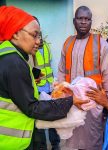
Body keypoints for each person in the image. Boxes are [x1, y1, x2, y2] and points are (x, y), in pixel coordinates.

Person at [0, 6, 88, 150]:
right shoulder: (14, 62)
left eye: (39, 36)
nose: (38, 41)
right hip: (11, 142)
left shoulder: (8, 53)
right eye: (34, 35)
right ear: (15, 33)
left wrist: (32, 75)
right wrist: (70, 101)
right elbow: (32, 107)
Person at [58, 6, 108, 150]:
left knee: (91, 143)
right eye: (80, 18)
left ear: (91, 22)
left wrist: (107, 105)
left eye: (87, 19)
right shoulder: (67, 43)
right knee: (70, 143)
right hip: (71, 103)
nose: (83, 22)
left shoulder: (100, 43)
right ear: (74, 21)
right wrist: (60, 97)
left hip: (92, 105)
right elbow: (61, 72)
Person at [32, 17, 60, 150]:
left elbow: (49, 66)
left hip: (49, 88)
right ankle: (42, 147)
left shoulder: (47, 46)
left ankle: (55, 144)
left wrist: (54, 83)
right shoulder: (30, 48)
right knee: (40, 121)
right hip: (36, 90)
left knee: (52, 118)